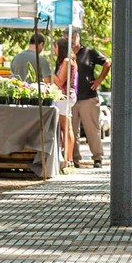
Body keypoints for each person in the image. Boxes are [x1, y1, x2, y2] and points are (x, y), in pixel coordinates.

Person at [69, 30, 110, 169]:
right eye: (69, 36)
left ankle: (97, 158)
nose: (72, 38)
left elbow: (107, 63)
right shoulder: (65, 54)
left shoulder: (89, 52)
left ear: (79, 37)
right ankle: (74, 159)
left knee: (92, 129)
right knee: (71, 130)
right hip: (71, 98)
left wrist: (99, 80)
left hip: (89, 97)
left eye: (74, 36)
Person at [52, 38, 77, 168]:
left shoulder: (67, 61)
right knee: (66, 127)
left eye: (55, 48)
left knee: (65, 127)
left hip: (64, 97)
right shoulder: (70, 61)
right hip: (66, 96)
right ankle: (68, 158)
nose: (54, 51)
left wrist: (49, 73)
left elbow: (60, 81)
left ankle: (68, 159)